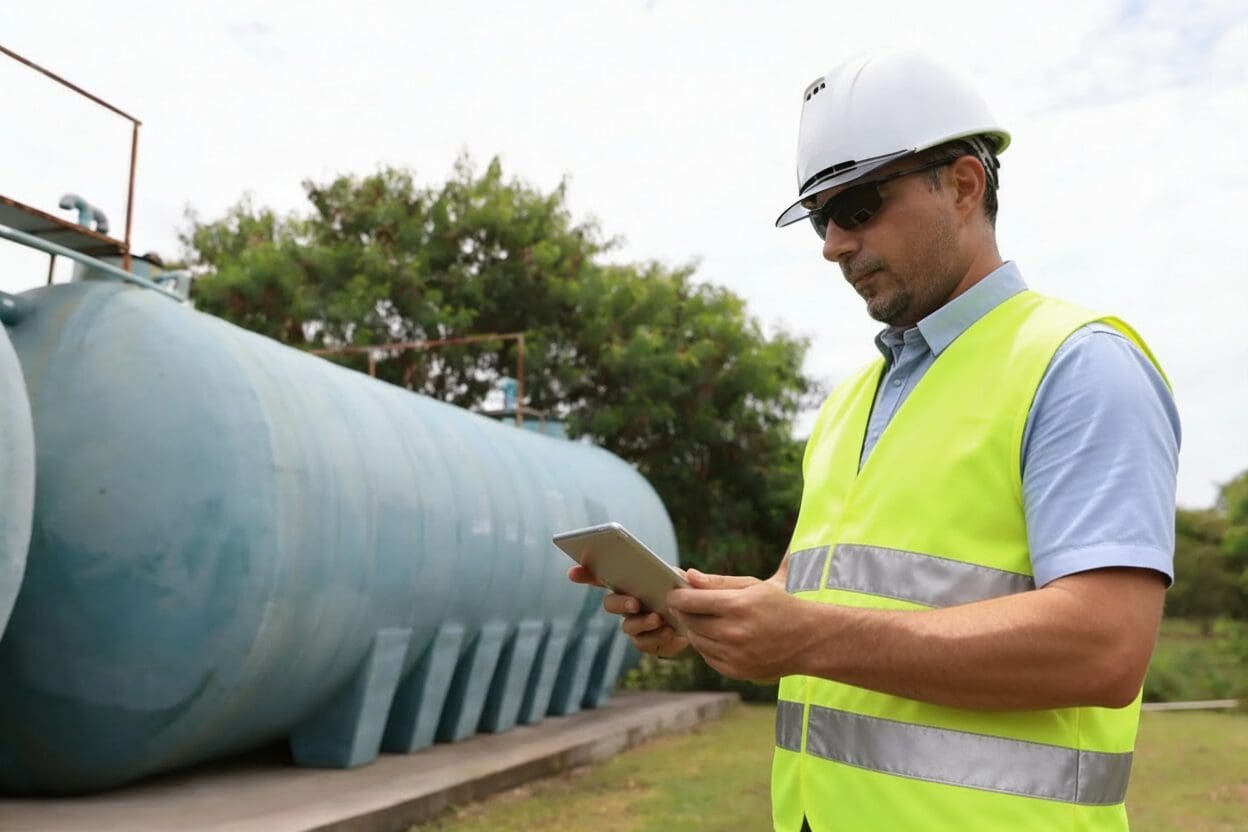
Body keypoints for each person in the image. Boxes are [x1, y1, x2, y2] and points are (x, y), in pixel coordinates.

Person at [569, 50, 1180, 831]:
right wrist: (706, 618)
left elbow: (1105, 646)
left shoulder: (1079, 365)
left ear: (963, 185)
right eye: (821, 217)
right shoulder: (851, 401)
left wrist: (809, 637)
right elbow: (809, 596)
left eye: (857, 206)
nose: (832, 244)